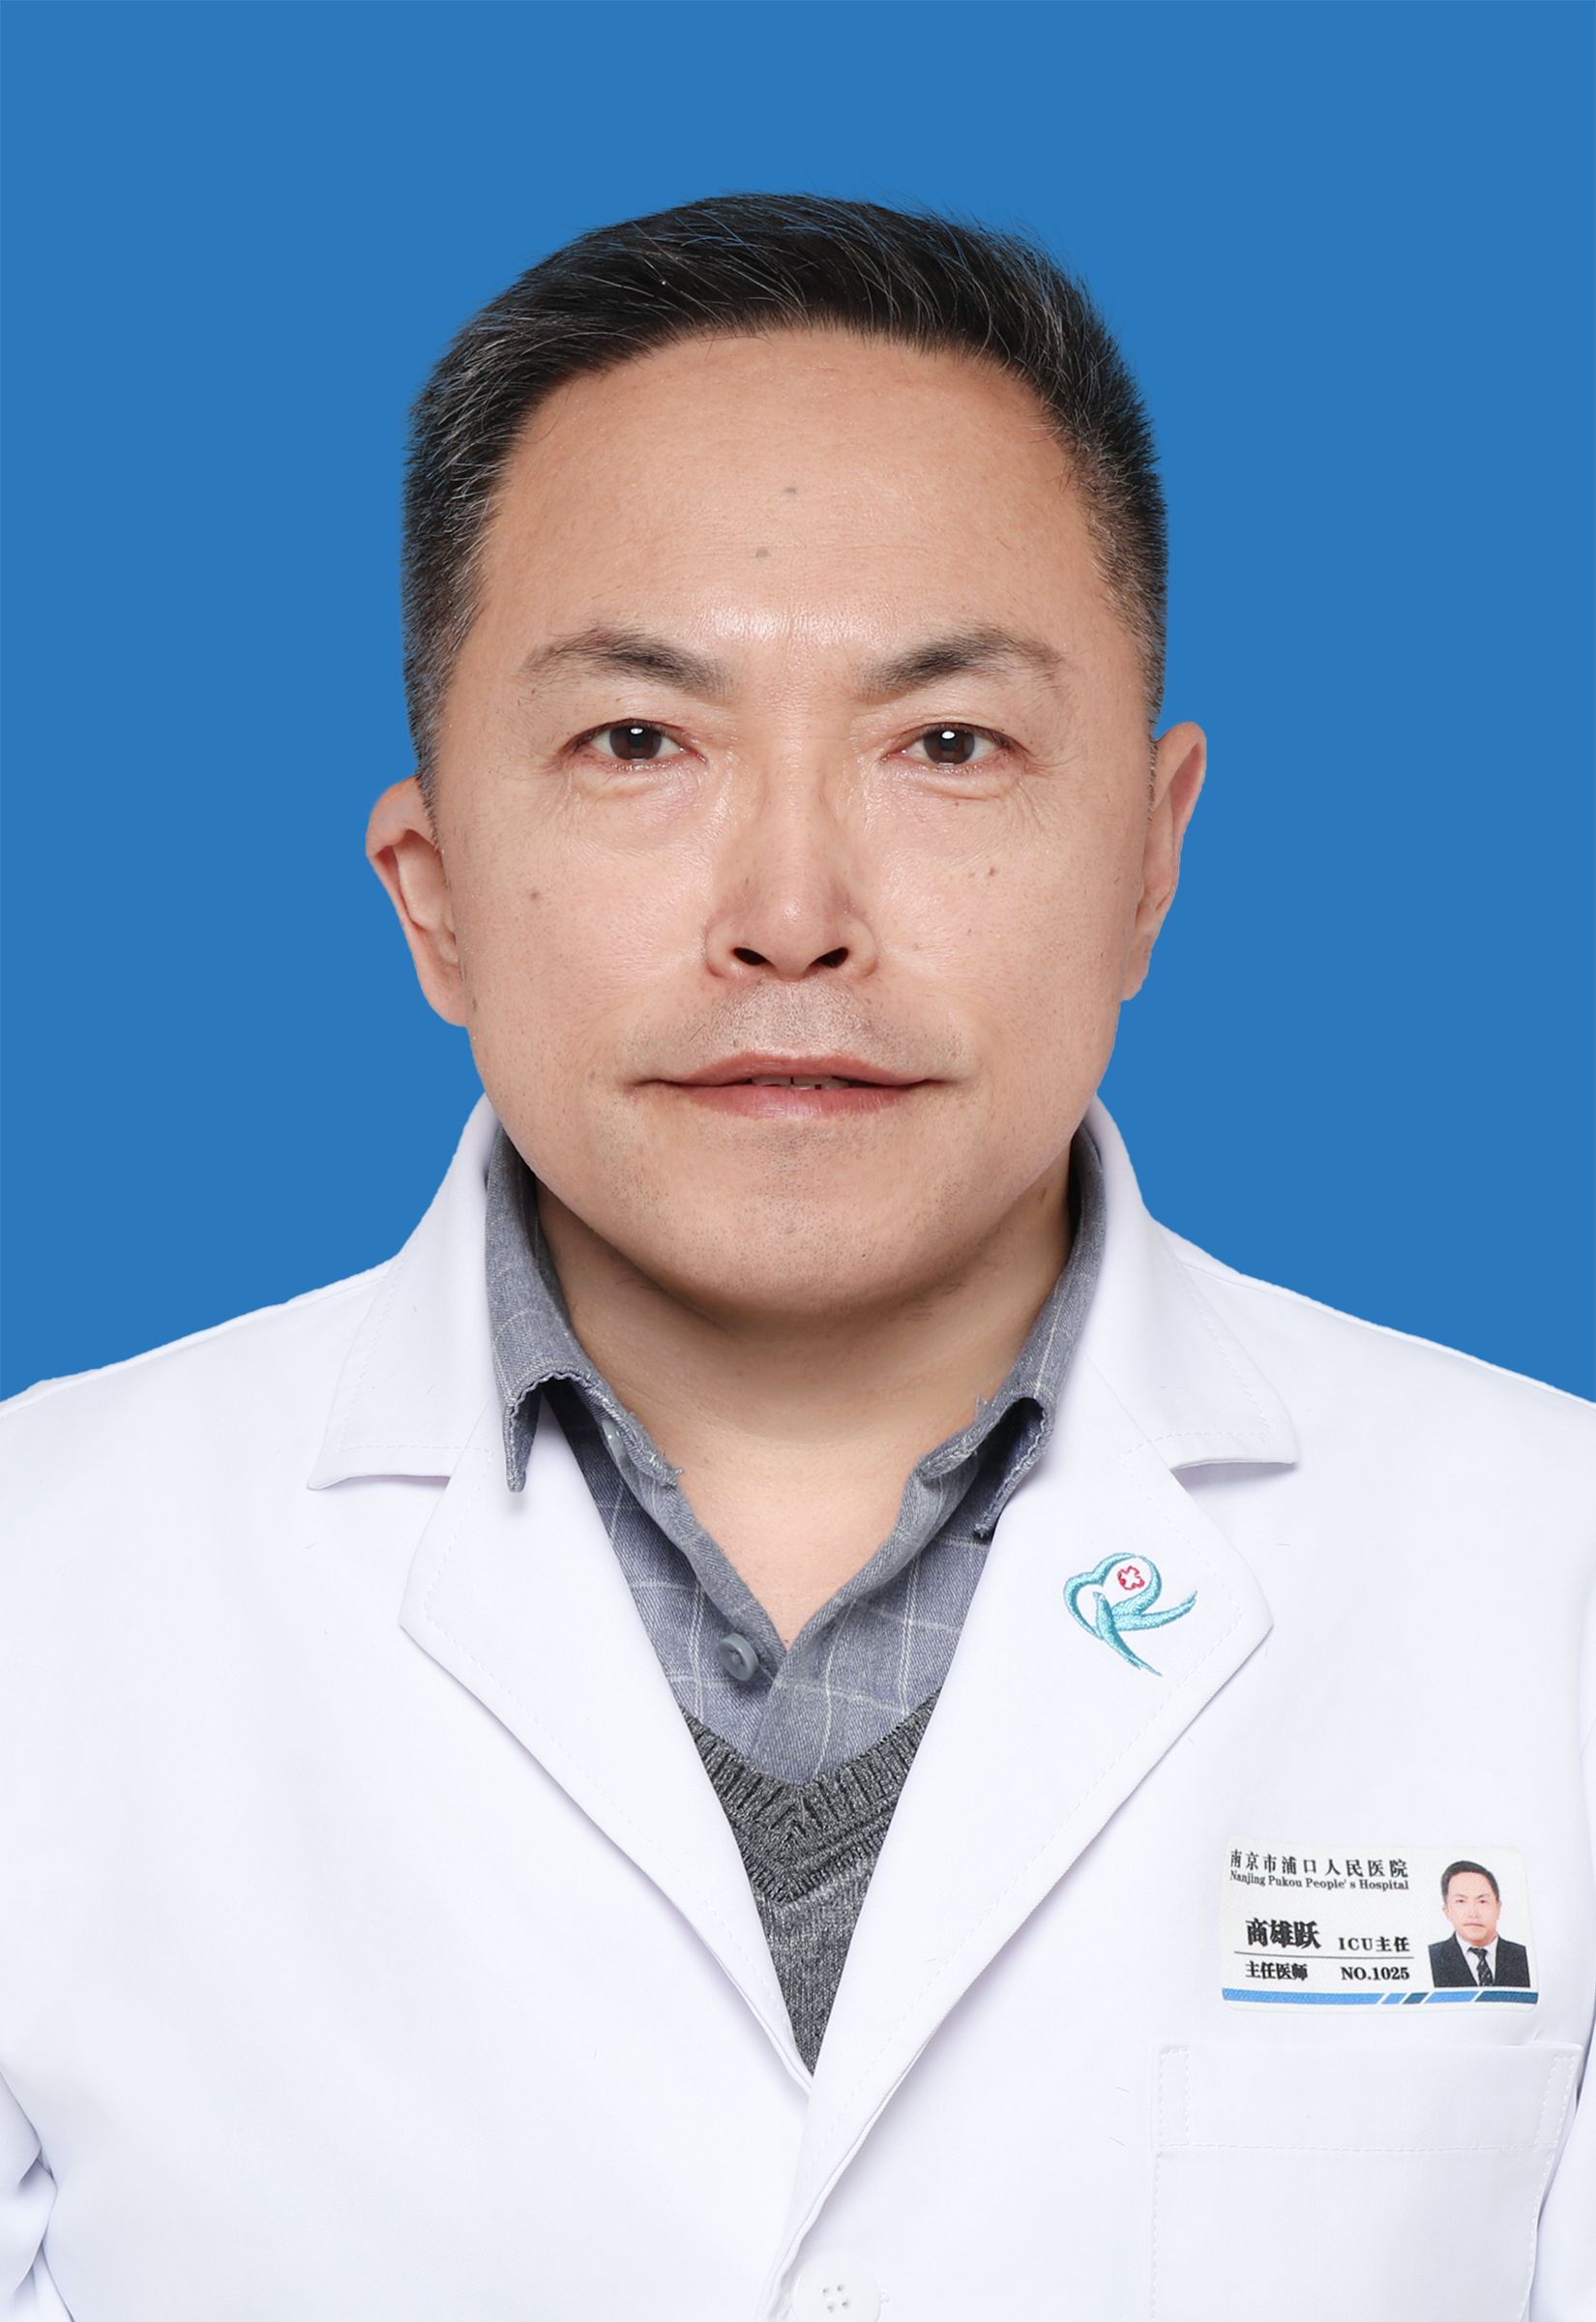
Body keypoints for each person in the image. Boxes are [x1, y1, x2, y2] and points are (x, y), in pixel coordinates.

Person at [1, 194, 1591, 2322]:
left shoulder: (1549, 1578)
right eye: (637, 742)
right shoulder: (44, 1587)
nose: (789, 917)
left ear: (1150, 853)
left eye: (948, 744)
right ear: (431, 887)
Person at [1429, 1860, 1533, 1989]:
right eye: (1461, 1901)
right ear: (1447, 1911)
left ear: (1498, 1908)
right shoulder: (1430, 1959)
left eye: (1482, 1901)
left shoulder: (1525, 1957)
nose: (1473, 1913)